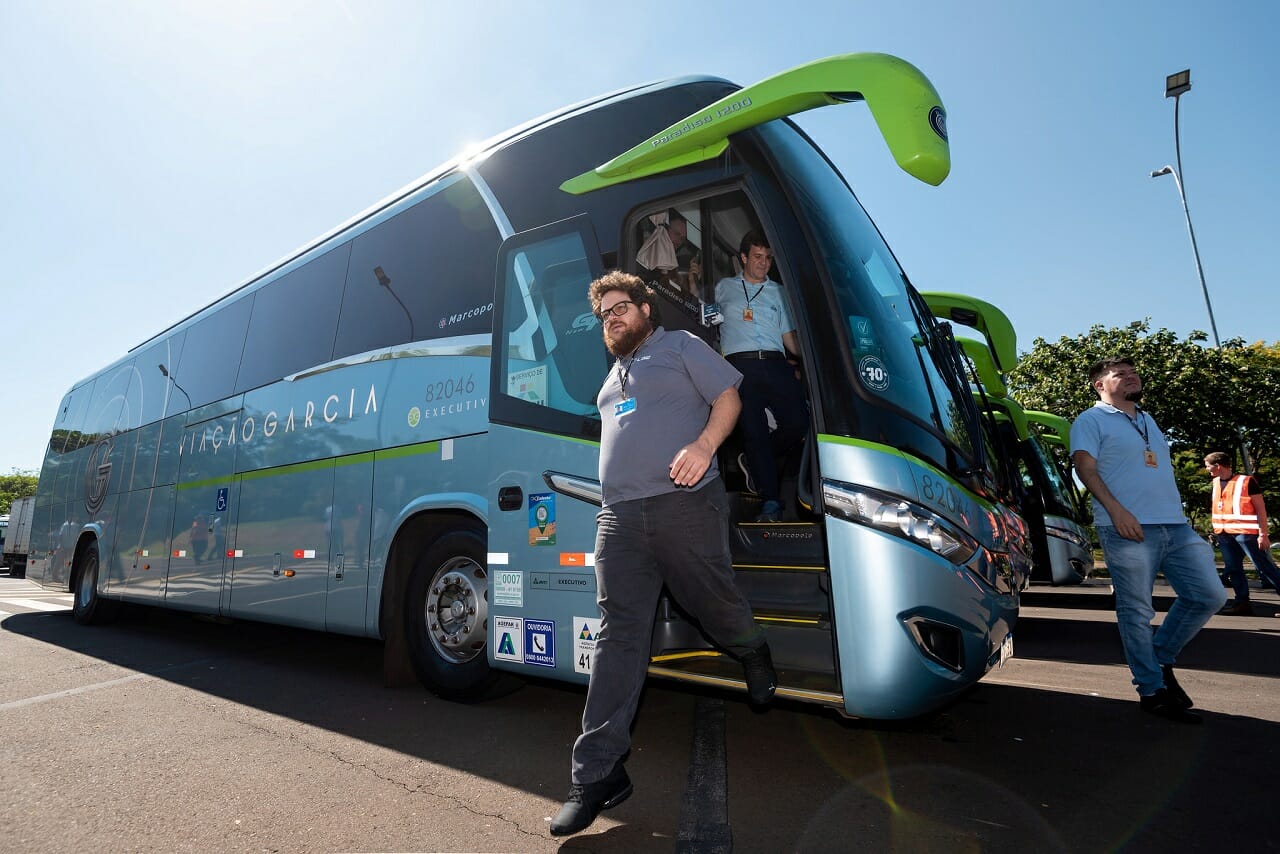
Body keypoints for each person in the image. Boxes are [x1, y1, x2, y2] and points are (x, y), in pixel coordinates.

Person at [550, 271, 776, 837]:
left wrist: (704, 446)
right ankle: (596, 775)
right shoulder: (612, 379)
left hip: (683, 506)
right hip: (619, 520)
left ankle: (752, 648)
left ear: (646, 309)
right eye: (604, 315)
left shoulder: (680, 346)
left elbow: (729, 397)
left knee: (711, 602)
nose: (613, 319)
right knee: (618, 636)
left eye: (621, 307)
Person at [1070, 357, 1227, 724]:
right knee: (1137, 610)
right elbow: (1084, 467)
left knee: (1210, 595)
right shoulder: (1090, 420)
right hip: (1127, 527)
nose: (1130, 377)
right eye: (1119, 375)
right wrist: (1116, 511)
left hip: (1176, 526)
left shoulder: (1148, 420)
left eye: (1132, 373)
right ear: (1099, 385)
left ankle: (1159, 656)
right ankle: (1152, 689)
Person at [713, 229, 807, 522]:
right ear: (743, 257)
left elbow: (790, 339)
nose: (764, 263)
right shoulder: (723, 288)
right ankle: (771, 502)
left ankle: (755, 461)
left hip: (775, 362)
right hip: (738, 367)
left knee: (799, 425)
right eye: (757, 256)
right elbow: (709, 323)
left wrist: (812, 352)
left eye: (768, 258)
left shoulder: (779, 291)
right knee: (755, 433)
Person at [1204, 451, 1280, 616]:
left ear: (1218, 466)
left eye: (1208, 466)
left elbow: (1261, 509)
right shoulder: (1216, 482)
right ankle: (1241, 603)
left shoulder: (1246, 481)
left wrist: (1263, 534)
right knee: (1233, 568)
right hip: (1224, 533)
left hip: (1246, 533)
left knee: (1264, 567)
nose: (1207, 470)